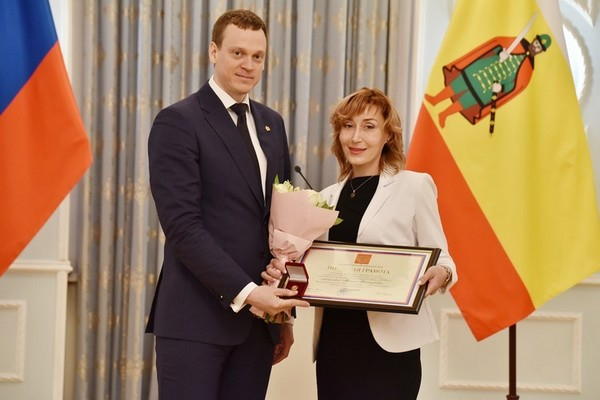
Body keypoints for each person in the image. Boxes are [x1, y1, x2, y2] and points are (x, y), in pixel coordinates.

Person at [146, 9, 309, 400]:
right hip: (194, 323)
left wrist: (282, 315)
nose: (248, 65)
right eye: (238, 53)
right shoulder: (177, 121)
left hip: (259, 325)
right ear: (214, 52)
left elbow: (279, 224)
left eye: (258, 56)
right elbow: (183, 228)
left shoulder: (272, 124)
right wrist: (250, 293)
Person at [264, 87, 457, 399]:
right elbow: (302, 270)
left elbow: (443, 259)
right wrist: (282, 287)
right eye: (348, 126)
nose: (356, 137)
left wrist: (442, 273)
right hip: (334, 346)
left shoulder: (414, 186)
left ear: (387, 135)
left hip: (391, 350)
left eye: (369, 127)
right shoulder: (323, 199)